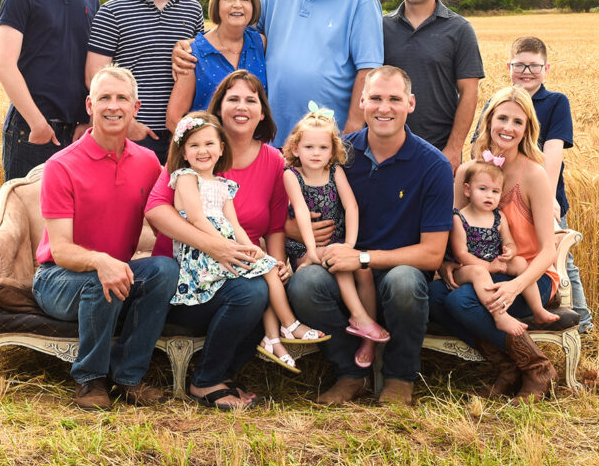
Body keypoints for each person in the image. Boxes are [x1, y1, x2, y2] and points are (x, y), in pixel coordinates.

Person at [286, 66, 453, 405]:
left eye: (394, 99)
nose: (384, 107)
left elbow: (433, 254)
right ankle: (351, 372)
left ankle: (399, 377)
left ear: (411, 103)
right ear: (362, 101)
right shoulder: (336, 154)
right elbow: (285, 210)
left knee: (404, 282)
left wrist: (362, 257)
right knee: (306, 284)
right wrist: (298, 232)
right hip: (341, 268)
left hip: (398, 270)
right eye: (375, 98)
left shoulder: (432, 165)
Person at [31, 66, 178, 410]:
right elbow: (62, 249)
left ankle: (128, 377)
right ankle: (90, 379)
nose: (113, 106)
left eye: (122, 98)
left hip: (116, 271)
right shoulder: (61, 165)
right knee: (104, 279)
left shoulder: (147, 163)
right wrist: (100, 260)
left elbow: (165, 221)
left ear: (136, 107)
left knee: (165, 271)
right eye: (105, 98)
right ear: (89, 105)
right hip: (57, 279)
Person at [144, 71, 292, 410]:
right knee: (252, 292)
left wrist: (278, 261)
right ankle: (207, 381)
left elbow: (274, 225)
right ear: (220, 107)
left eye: (250, 100)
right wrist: (214, 246)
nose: (242, 107)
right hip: (187, 275)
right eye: (233, 99)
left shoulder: (272, 160)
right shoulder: (193, 151)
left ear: (262, 111)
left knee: (261, 287)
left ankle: (223, 375)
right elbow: (156, 210)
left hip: (238, 267)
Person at [173, 0, 384, 146]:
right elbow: (234, 25)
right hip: (271, 138)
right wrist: (192, 46)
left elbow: (369, 69)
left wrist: (352, 130)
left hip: (326, 140)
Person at [166, 110, 328, 376]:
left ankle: (274, 336)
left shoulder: (223, 184)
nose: (202, 151)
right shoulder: (185, 177)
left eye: (209, 144)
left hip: (224, 246)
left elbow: (235, 226)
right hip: (201, 253)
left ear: (221, 148)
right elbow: (196, 218)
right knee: (263, 271)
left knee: (268, 267)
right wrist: (224, 245)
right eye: (193, 145)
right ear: (184, 153)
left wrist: (251, 248)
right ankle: (287, 325)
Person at [430, 86, 560, 404]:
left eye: (518, 121)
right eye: (502, 118)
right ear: (489, 122)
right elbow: (453, 226)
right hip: (477, 270)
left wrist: (516, 286)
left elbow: (548, 251)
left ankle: (537, 369)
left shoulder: (534, 175)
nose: (508, 127)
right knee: (431, 295)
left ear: (527, 128)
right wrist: (447, 261)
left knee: (462, 302)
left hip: (529, 277)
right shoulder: (469, 172)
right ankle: (507, 367)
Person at [473, 36, 592, 333]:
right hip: (497, 192)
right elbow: (479, 145)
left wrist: (549, 197)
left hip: (540, 192)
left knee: (560, 255)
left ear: (546, 68)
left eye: (534, 66)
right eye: (520, 65)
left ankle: (582, 323)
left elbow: (551, 153)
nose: (527, 71)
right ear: (509, 66)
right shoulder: (498, 100)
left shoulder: (555, 102)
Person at [281, 102, 389, 371]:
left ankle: (368, 341)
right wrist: (312, 250)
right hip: (303, 245)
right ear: (295, 149)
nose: (315, 153)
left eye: (322, 148)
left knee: (362, 270)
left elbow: (351, 207)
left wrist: (350, 245)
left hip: (339, 242)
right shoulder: (291, 175)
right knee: (336, 261)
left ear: (332, 152)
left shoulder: (335, 172)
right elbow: (302, 213)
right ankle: (359, 317)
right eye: (308, 147)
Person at [0, 0, 99, 180]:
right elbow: (4, 66)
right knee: (25, 221)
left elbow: (95, 70)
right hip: (31, 130)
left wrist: (88, 121)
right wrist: (37, 123)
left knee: (71, 221)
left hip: (78, 134)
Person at [85, 0, 205, 163]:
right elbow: (94, 77)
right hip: (131, 134)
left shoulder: (192, 10)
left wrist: (186, 126)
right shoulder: (112, 12)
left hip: (180, 135)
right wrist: (129, 124)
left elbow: (199, 68)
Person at [383, 0, 483, 170]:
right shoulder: (381, 27)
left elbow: (469, 91)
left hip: (438, 151)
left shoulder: (459, 29)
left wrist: (454, 149)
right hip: (386, 150)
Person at [449, 159, 560, 335]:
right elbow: (461, 253)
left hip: (496, 264)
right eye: (483, 189)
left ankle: (537, 309)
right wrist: (487, 266)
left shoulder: (498, 217)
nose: (489, 196)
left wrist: (510, 251)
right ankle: (499, 316)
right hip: (469, 269)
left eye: (495, 192)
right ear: (467, 190)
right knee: (475, 276)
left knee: (520, 262)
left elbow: (508, 241)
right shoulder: (460, 218)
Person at [165, 0, 267, 130]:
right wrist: (204, 147)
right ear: (217, 5)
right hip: (210, 151)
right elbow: (174, 119)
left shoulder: (261, 44)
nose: (237, 5)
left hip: (254, 148)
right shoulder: (193, 53)